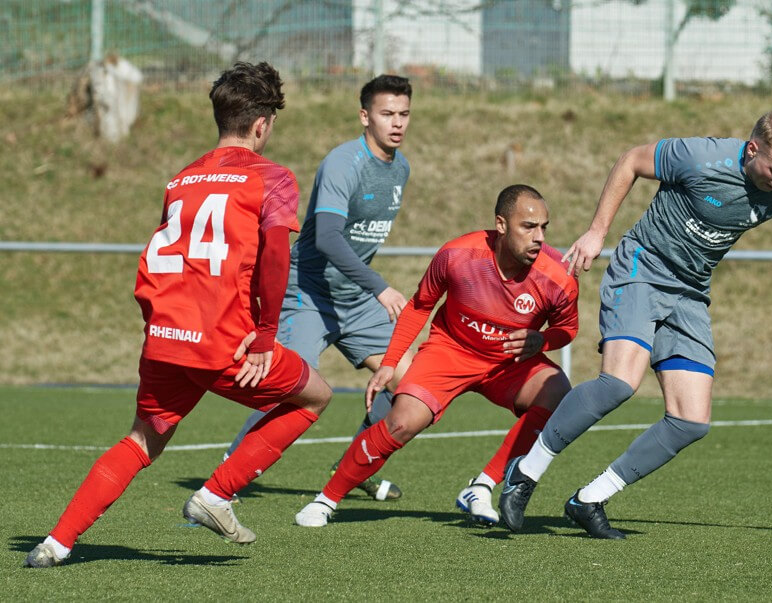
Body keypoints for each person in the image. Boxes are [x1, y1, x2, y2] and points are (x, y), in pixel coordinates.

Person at [499, 109, 772, 539]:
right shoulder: (699, 157)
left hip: (690, 292)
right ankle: (525, 471)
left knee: (690, 420)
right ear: (752, 149)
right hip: (643, 267)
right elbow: (631, 162)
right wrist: (597, 232)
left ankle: (590, 500)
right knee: (619, 383)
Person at [24, 62, 334, 568]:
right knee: (314, 398)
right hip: (225, 340)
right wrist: (264, 334)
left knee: (142, 439)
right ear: (262, 124)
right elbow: (278, 257)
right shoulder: (270, 177)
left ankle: (55, 543)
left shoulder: (182, 179)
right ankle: (216, 494)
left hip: (167, 337)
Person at [293, 184, 579, 528]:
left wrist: (543, 340)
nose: (538, 237)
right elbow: (419, 306)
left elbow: (568, 329)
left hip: (508, 362)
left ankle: (482, 486)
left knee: (558, 393)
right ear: (501, 224)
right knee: (401, 422)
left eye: (544, 227)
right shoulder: (458, 255)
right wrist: (389, 363)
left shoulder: (558, 276)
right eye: (528, 227)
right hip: (450, 351)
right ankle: (326, 500)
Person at [225, 74, 414, 502]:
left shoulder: (401, 166)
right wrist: (380, 287)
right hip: (308, 293)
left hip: (354, 300)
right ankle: (227, 475)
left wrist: (367, 290)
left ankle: (355, 465)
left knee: (413, 388)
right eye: (387, 114)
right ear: (365, 116)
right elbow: (328, 238)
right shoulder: (343, 163)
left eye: (403, 114)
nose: (397, 123)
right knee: (286, 386)